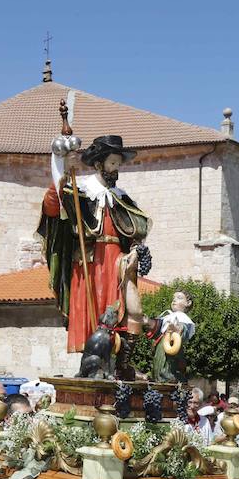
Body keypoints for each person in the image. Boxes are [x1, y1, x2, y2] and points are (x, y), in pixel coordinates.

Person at [38, 124, 151, 354]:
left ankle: (121, 356)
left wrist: (136, 250)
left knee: (125, 308)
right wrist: (61, 175)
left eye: (118, 163)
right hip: (89, 263)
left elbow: (135, 232)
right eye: (112, 163)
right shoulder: (81, 190)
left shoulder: (122, 197)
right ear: (99, 164)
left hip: (116, 263)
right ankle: (94, 352)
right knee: (93, 310)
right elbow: (53, 208)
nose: (116, 168)